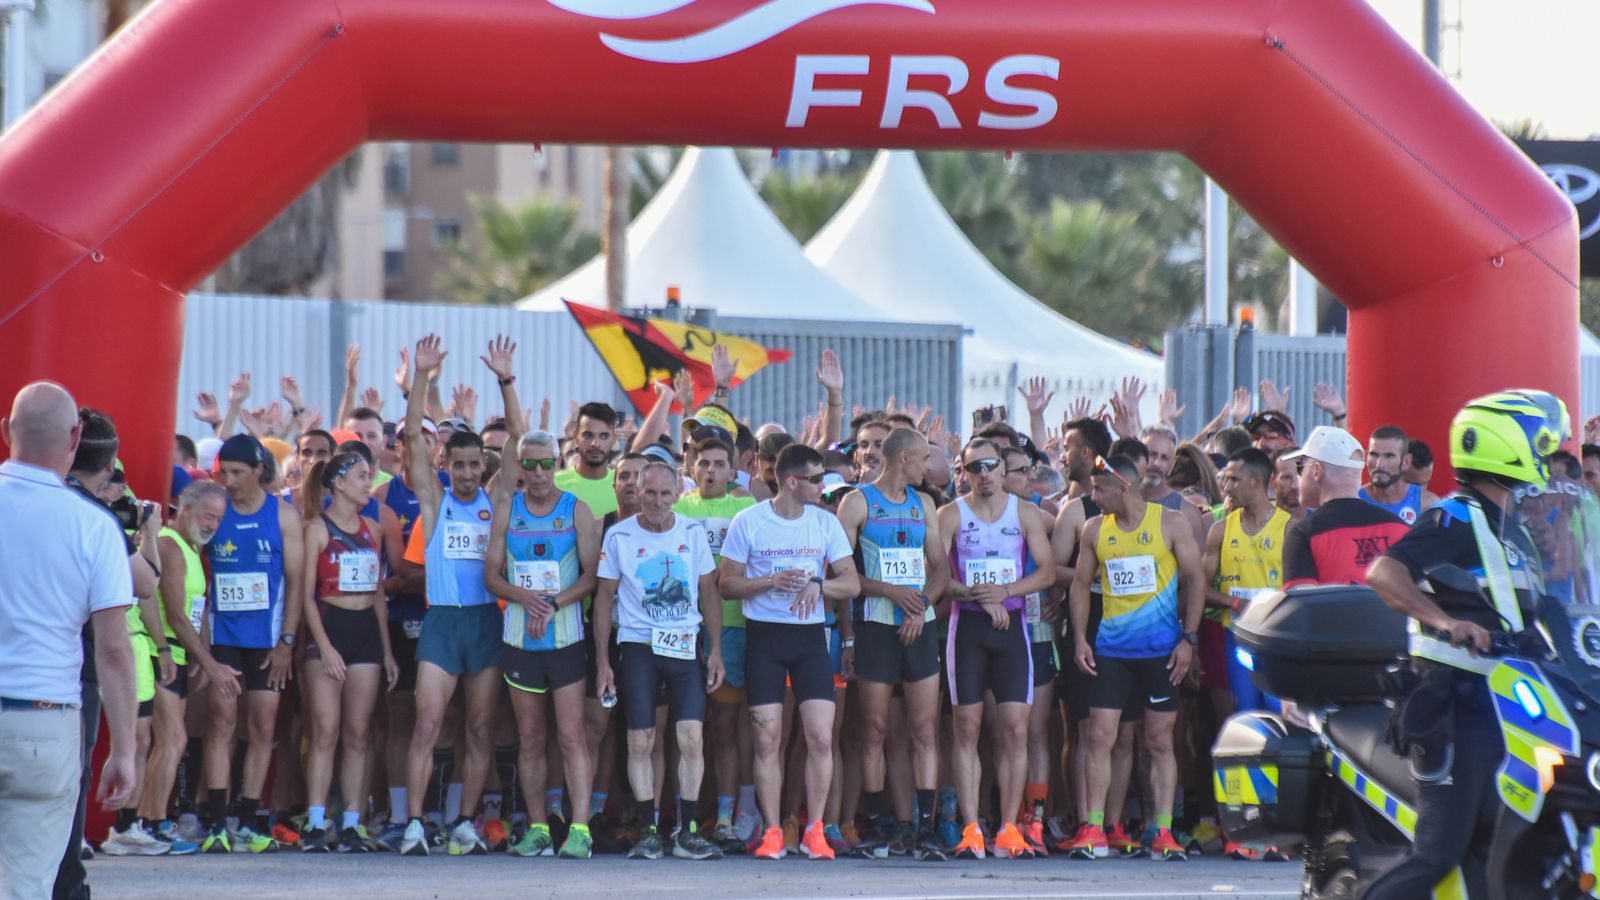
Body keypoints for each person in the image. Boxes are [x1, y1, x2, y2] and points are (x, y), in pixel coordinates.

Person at [1364, 391, 1565, 899]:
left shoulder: (1514, 531)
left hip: (1510, 711)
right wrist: (1444, 620)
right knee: (1440, 852)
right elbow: (1383, 572)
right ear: (1506, 446)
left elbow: (1538, 617)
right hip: (1450, 706)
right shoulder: (1451, 519)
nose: (1544, 457)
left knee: (1496, 851)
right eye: (1538, 444)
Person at [0, 382, 138, 898]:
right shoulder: (94, 526)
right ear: (76, 437)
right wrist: (123, 749)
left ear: (7, 432)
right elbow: (113, 651)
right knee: (29, 885)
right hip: (44, 719)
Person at [397, 334, 522, 857]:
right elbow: (408, 437)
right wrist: (422, 377)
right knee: (427, 723)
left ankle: (465, 822)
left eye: (475, 465)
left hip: (486, 622)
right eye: (459, 465)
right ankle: (415, 823)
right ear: (446, 462)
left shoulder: (496, 499)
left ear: (484, 466)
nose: (467, 473)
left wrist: (505, 380)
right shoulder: (434, 500)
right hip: (444, 622)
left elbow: (520, 436)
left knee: (479, 727)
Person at [718, 444, 861, 860]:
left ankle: (815, 828)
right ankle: (774, 830)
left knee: (819, 736)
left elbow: (850, 583)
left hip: (810, 640)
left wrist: (820, 585)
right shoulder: (750, 521)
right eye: (816, 479)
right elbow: (726, 584)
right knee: (768, 740)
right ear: (792, 481)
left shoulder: (824, 523)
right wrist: (769, 582)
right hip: (764, 639)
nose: (823, 485)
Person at [1066, 453, 1203, 862]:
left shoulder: (1170, 523)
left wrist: (1189, 640)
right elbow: (1078, 585)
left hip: (1161, 651)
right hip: (1111, 651)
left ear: (1121, 488)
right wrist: (1079, 639)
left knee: (1159, 740)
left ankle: (1162, 829)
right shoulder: (1094, 529)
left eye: (1099, 489)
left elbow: (1196, 579)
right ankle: (1093, 827)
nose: (1094, 496)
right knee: (1099, 737)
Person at [593, 463, 726, 861]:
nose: (657, 502)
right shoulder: (619, 535)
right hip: (637, 647)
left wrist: (715, 648)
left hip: (685, 647)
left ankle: (686, 832)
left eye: (666, 495)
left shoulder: (691, 532)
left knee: (691, 737)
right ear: (637, 488)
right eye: (650, 493)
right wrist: (602, 661)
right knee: (640, 740)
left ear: (677, 494)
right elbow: (603, 600)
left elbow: (709, 591)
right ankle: (649, 830)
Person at [484, 427, 601, 859]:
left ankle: (581, 829)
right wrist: (526, 599)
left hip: (566, 639)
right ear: (518, 467)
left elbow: (591, 576)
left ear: (558, 463)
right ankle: (536, 827)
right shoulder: (507, 510)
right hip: (520, 641)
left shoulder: (577, 511)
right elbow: (491, 575)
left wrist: (552, 603)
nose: (537, 472)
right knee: (530, 737)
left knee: (572, 737)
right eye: (527, 463)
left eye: (545, 463)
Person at [937, 439, 1056, 860]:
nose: (983, 473)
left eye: (990, 466)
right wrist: (978, 597)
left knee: (1015, 729)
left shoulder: (1024, 513)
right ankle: (972, 828)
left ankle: (1008, 826)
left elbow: (1046, 571)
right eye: (974, 468)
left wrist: (1004, 592)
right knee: (966, 728)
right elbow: (935, 578)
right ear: (964, 473)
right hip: (966, 627)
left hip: (1013, 631)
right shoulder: (950, 515)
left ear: (1004, 471)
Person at [835, 428, 950, 862]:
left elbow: (940, 567)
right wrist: (888, 592)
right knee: (875, 730)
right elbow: (843, 572)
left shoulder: (924, 504)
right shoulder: (858, 502)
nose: (928, 466)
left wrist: (920, 605)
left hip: (918, 625)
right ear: (902, 458)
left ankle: (923, 827)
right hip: (876, 626)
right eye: (923, 458)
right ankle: (883, 824)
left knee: (924, 729)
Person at [201, 433, 305, 854]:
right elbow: (189, 569)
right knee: (221, 723)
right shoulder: (213, 510)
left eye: (238, 473)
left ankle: (247, 819)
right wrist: (200, 640)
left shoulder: (282, 516)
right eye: (224, 472)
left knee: (263, 726)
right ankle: (218, 821)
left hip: (267, 640)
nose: (229, 480)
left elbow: (298, 585)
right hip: (223, 636)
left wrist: (287, 642)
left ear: (259, 471)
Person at [296, 451, 399, 851]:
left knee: (359, 733)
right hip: (329, 629)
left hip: (366, 635)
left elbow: (377, 595)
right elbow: (305, 596)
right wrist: (324, 647)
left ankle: (353, 822)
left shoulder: (373, 527)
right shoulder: (317, 529)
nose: (367, 482)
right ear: (338, 483)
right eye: (359, 476)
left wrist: (387, 651)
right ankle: (317, 821)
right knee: (326, 731)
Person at [673, 437, 760, 852]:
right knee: (683, 731)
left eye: (719, 464)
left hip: (736, 629)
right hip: (682, 632)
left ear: (733, 472)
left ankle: (728, 816)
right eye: (703, 463)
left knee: (728, 729)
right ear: (692, 468)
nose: (710, 470)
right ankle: (679, 817)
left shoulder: (746, 511)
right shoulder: (678, 509)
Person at [139, 481, 230, 852]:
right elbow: (176, 615)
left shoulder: (193, 550)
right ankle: (149, 823)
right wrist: (210, 665)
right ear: (186, 510)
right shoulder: (169, 546)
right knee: (171, 740)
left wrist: (201, 655)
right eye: (208, 516)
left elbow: (197, 612)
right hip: (157, 652)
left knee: (169, 743)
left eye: (219, 519)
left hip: (178, 656)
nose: (212, 525)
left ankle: (150, 822)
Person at [1283, 427, 1409, 586]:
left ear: (1316, 471)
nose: (1296, 480)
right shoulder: (1399, 527)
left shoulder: (1304, 534)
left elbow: (1300, 604)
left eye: (1300, 468)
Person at [1359, 425, 1440, 525]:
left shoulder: (1428, 504)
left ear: (1406, 462)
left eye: (1389, 456)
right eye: (1374, 455)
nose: (1379, 464)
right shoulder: (1354, 501)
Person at [555, 402, 619, 520]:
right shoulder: (555, 484)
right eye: (588, 435)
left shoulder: (622, 487)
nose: (595, 444)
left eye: (604, 436)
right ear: (575, 437)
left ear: (613, 439)